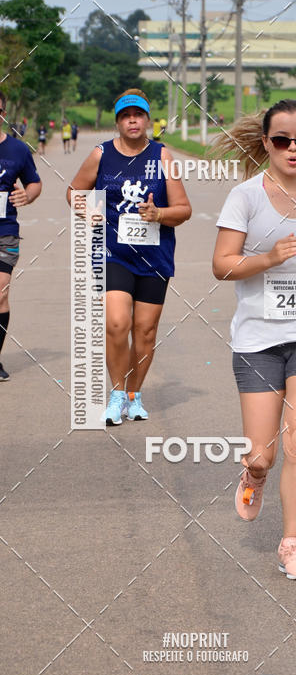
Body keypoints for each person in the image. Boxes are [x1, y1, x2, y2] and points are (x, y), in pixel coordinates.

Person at [212, 98, 296, 580]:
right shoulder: (245, 197)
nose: (293, 149)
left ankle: (291, 544)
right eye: (282, 140)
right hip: (257, 340)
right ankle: (253, 474)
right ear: (266, 143)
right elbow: (221, 264)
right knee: (263, 454)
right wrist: (269, 258)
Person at [67, 88, 192, 424]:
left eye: (138, 115)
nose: (132, 121)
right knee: (116, 323)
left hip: (155, 257)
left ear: (148, 120)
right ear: (118, 122)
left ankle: (134, 396)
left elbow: (184, 209)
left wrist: (159, 214)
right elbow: (74, 191)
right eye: (125, 116)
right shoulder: (101, 154)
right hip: (113, 252)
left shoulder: (163, 157)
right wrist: (86, 210)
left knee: (145, 331)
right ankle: (117, 393)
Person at [0, 90, 42, 381]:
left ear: (3, 114)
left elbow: (34, 182)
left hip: (4, 232)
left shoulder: (17, 150)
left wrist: (27, 195)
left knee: (0, 293)